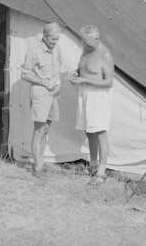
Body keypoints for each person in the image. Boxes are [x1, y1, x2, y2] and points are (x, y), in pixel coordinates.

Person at [69, 26, 114, 185]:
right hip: (84, 93)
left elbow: (109, 82)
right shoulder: (86, 49)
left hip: (98, 96)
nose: (96, 41)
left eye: (97, 38)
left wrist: (86, 80)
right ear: (84, 41)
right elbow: (84, 68)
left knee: (100, 132)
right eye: (92, 40)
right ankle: (93, 164)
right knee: (89, 130)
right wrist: (76, 72)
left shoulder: (105, 54)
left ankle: (102, 171)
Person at [20, 22, 62, 178]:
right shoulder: (34, 51)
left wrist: (58, 83)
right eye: (52, 39)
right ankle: (37, 168)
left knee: (46, 129)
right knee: (38, 130)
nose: (54, 42)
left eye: (56, 39)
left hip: (53, 94)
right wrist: (44, 82)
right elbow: (24, 74)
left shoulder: (56, 49)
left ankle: (41, 163)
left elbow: (57, 69)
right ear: (44, 36)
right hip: (40, 93)